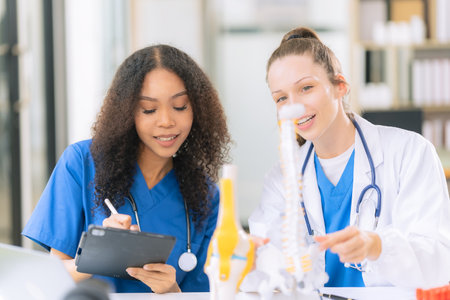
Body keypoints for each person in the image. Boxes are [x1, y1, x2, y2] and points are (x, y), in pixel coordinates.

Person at [248, 27, 450, 288]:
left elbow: (440, 262)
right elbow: (266, 274)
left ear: (340, 86)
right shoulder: (282, 177)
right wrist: (252, 261)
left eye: (306, 88)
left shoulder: (409, 153)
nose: (294, 106)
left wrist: (377, 246)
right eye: (281, 98)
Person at [22, 44, 231, 293]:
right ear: (127, 112)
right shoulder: (82, 163)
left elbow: (203, 295)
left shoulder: (205, 195)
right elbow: (51, 277)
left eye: (180, 106)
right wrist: (99, 254)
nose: (166, 121)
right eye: (149, 109)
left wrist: (171, 289)